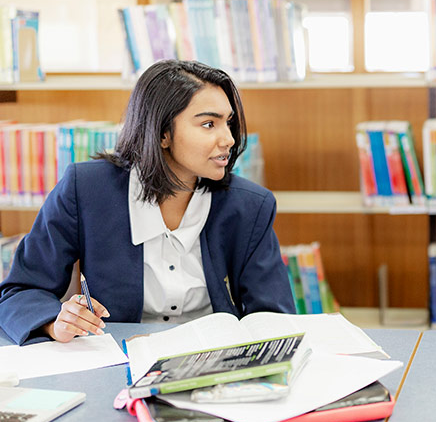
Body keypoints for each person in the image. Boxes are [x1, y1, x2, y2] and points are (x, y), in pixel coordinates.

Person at [0, 60, 295, 345]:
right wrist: (55, 322)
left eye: (228, 123)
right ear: (162, 133)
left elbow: (273, 317)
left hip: (213, 366)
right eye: (208, 124)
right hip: (117, 362)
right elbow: (20, 290)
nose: (229, 139)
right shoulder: (86, 189)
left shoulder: (250, 206)